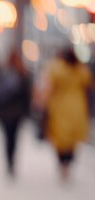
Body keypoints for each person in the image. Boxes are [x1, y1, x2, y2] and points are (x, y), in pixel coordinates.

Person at [40, 47, 92, 181]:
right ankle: (68, 162)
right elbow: (88, 86)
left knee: (59, 137)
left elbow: (49, 88)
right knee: (73, 138)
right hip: (77, 106)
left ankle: (62, 162)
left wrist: (42, 103)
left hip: (59, 106)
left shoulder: (56, 69)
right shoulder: (81, 70)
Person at [0, 49, 31, 178]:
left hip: (5, 113)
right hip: (17, 113)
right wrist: (26, 111)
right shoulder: (22, 74)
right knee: (14, 138)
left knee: (7, 138)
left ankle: (9, 162)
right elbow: (26, 96)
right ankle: (12, 162)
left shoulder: (3, 73)